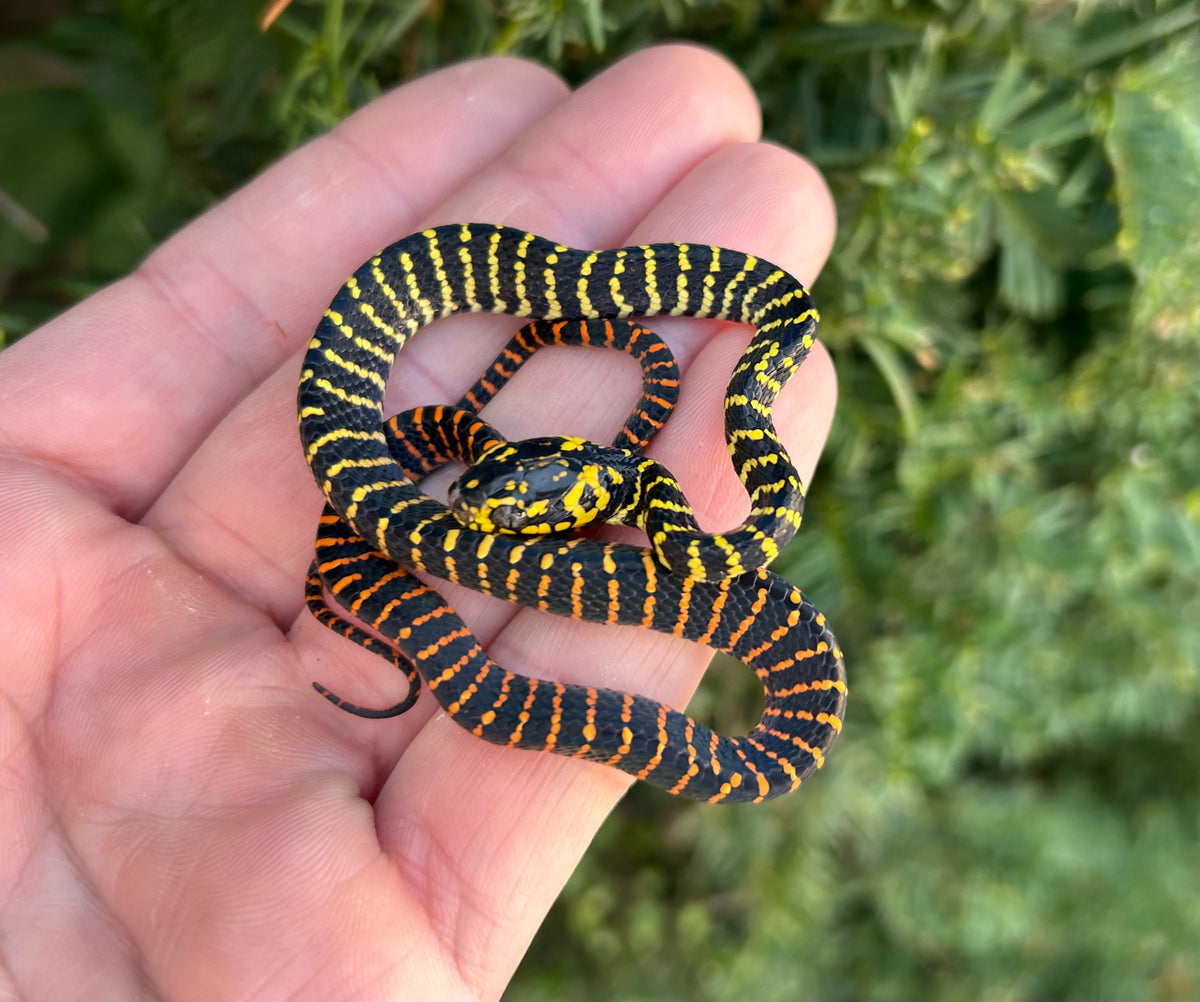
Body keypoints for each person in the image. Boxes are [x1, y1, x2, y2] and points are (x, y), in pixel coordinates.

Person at [0, 44, 836, 999]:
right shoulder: (625, 508)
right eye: (497, 488)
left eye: (508, 509)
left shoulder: (738, 413)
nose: (481, 512)